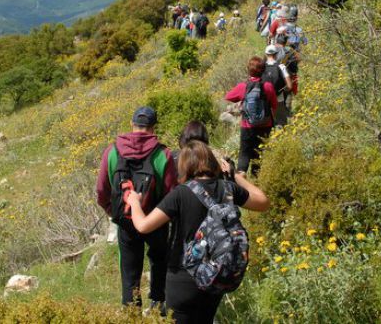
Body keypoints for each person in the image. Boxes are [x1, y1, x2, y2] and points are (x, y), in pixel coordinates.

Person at [126, 140, 270, 324]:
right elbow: (263, 201)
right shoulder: (228, 188)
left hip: (182, 279)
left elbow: (143, 225)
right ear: (211, 162)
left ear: (184, 166)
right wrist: (234, 176)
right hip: (215, 277)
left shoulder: (180, 193)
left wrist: (135, 203)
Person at [96, 106, 177, 309]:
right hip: (155, 219)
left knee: (129, 269)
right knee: (159, 260)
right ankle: (158, 306)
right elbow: (171, 192)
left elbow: (101, 190)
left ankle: (132, 312)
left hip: (126, 220)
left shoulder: (112, 151)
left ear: (132, 125)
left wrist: (113, 211)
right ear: (153, 127)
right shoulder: (163, 154)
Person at [225, 56, 277, 175]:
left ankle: (242, 183)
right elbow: (274, 106)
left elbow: (228, 96)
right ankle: (256, 183)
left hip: (247, 126)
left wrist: (240, 103)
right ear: (263, 70)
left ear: (249, 70)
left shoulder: (243, 86)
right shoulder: (268, 86)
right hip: (265, 126)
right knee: (258, 155)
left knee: (244, 154)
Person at [263, 45, 293, 127]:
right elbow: (289, 86)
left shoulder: (261, 67)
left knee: (267, 122)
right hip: (278, 98)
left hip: (264, 99)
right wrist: (282, 90)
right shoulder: (281, 67)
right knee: (281, 122)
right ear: (276, 54)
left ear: (266, 54)